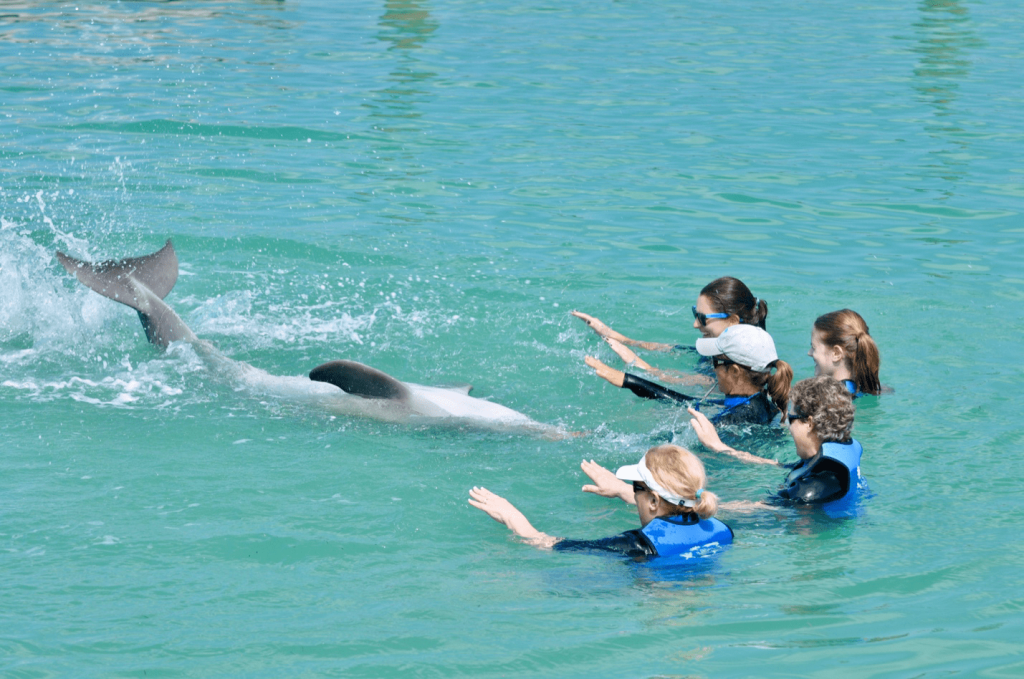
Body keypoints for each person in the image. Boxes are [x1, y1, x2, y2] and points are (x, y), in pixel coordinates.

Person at [468, 445, 733, 561]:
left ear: (652, 500)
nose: (633, 493)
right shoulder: (722, 530)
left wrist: (514, 518)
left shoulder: (638, 545)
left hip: (658, 606)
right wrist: (621, 490)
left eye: (635, 487)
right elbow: (673, 513)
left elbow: (554, 546)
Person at [688, 375, 865, 516]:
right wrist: (719, 446)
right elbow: (781, 466)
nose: (788, 428)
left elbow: (757, 508)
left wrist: (688, 507)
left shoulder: (811, 488)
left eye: (790, 420)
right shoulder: (838, 446)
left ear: (809, 423)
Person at [584, 324, 793, 426]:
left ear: (736, 372)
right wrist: (627, 380)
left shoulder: (741, 416)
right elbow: (685, 401)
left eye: (716, 361)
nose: (713, 368)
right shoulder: (754, 402)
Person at [809, 309, 882, 397]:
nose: (809, 353)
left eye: (813, 347)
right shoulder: (873, 389)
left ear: (836, 353)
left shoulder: (825, 400)